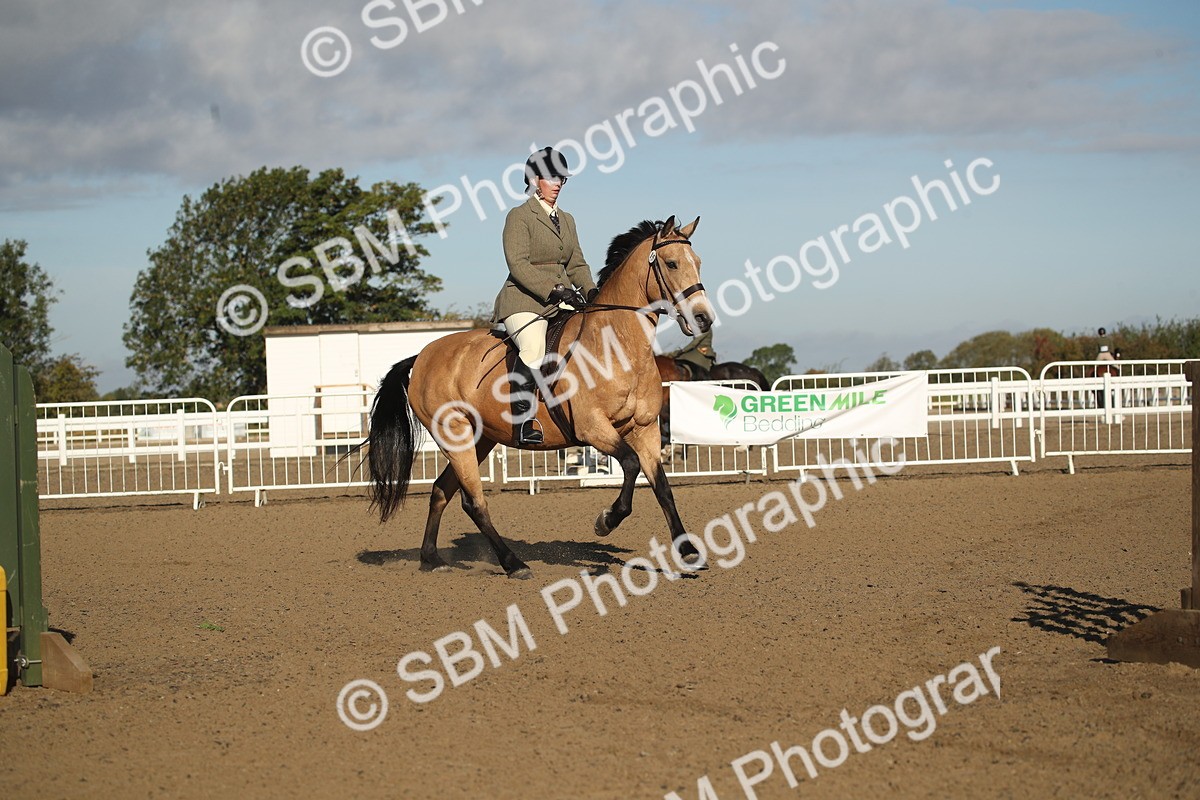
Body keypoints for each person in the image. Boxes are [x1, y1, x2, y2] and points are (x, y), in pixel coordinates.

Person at [492, 146, 598, 445]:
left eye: (562, 179)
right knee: (534, 348)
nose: (558, 184)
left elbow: (576, 263)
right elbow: (518, 264)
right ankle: (525, 422)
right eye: (552, 177)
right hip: (525, 301)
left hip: (561, 300)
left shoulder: (567, 219)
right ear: (535, 179)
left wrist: (590, 290)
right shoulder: (519, 216)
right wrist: (554, 289)